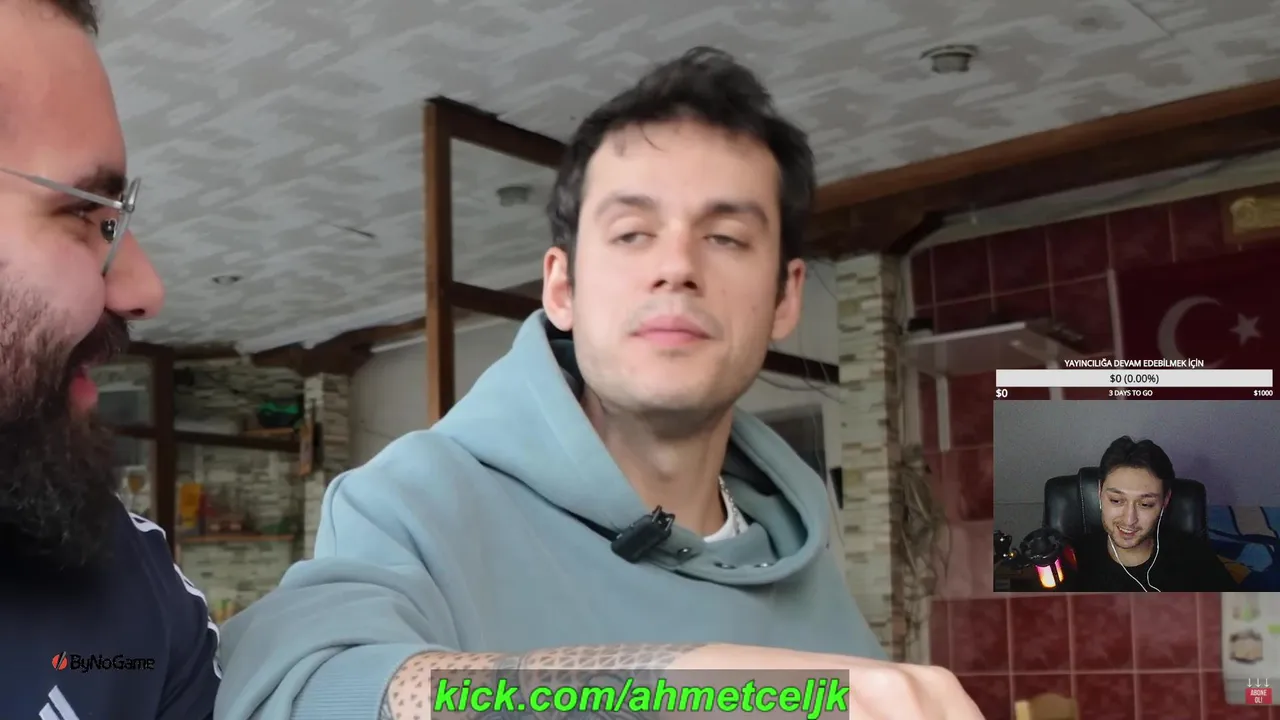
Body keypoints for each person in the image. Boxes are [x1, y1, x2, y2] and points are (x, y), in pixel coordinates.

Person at [214, 47, 981, 720]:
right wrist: (698, 690)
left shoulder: (802, 557)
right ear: (562, 287)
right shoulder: (415, 501)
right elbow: (300, 694)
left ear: (785, 298)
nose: (676, 265)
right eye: (632, 233)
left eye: (725, 237)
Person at [0, 1, 221, 718]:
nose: (144, 289)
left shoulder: (131, 594)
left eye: (115, 220)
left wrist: (529, 693)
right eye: (82, 214)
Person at [1067, 436, 1237, 592]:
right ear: (1100, 493)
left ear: (1165, 501)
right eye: (1116, 500)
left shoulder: (1194, 557)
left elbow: (1241, 613)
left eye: (1145, 504)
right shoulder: (1071, 559)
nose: (1129, 519)